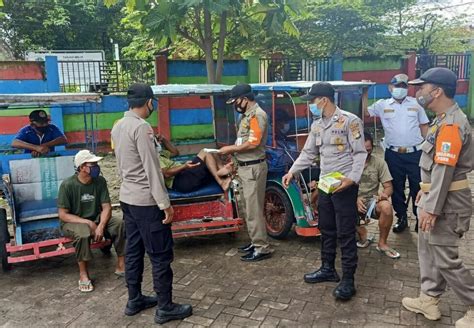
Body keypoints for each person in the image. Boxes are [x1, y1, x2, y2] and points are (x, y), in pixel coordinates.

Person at [111, 83, 192, 324]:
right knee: (160, 254)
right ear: (148, 102)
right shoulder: (142, 127)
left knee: (134, 251)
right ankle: (165, 307)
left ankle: (134, 299)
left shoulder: (118, 126)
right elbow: (152, 169)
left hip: (128, 199)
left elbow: (120, 165)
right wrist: (164, 203)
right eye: (152, 102)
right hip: (147, 203)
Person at [401, 68, 473, 327]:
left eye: (422, 87)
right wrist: (425, 187)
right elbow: (434, 169)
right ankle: (429, 299)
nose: (418, 91)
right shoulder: (442, 119)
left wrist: (431, 208)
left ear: (437, 91)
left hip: (448, 203)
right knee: (428, 251)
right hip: (436, 196)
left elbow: (444, 170)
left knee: (445, 257)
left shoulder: (452, 124)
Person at [282, 82, 367, 301]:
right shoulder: (317, 125)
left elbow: (360, 153)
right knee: (326, 228)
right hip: (325, 184)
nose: (310, 105)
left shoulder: (350, 121)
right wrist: (292, 171)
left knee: (346, 232)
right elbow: (308, 152)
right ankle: (328, 268)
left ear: (324, 100)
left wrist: (351, 179)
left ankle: (348, 279)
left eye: (312, 101)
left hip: (344, 185)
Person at [367, 74, 429, 233]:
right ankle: (401, 217)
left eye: (403, 86)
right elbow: (365, 112)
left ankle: (418, 216)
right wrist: (365, 91)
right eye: (397, 86)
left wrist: (427, 147)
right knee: (396, 187)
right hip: (393, 154)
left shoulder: (416, 104)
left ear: (407, 88)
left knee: (418, 186)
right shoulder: (382, 104)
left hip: (415, 153)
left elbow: (424, 126)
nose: (400, 89)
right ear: (390, 87)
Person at [57, 150, 125, 293]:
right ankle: (83, 273)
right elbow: (63, 215)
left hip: (96, 218)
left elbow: (107, 207)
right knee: (83, 233)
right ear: (82, 167)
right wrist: (88, 223)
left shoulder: (100, 181)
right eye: (92, 164)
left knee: (119, 224)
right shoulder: (67, 185)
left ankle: (121, 264)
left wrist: (100, 226)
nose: (96, 167)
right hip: (74, 222)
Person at [219, 83, 272, 262]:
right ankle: (255, 241)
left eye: (236, 101)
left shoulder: (257, 115)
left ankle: (261, 247)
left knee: (254, 210)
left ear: (245, 99)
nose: (235, 105)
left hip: (253, 168)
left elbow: (253, 143)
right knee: (248, 209)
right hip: (244, 167)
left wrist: (229, 148)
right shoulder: (246, 116)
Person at [356, 132, 400, 259]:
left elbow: (388, 187)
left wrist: (384, 195)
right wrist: (354, 199)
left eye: (368, 151)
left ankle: (382, 243)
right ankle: (358, 229)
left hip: (370, 201)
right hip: (349, 199)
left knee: (386, 207)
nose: (365, 154)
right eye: (361, 151)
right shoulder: (347, 161)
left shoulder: (379, 163)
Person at [157, 137, 233, 193]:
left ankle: (222, 173)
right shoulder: (155, 158)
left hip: (185, 175)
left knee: (211, 151)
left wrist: (163, 139)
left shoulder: (161, 154)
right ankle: (221, 182)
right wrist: (184, 166)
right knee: (205, 152)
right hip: (180, 181)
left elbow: (175, 152)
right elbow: (166, 174)